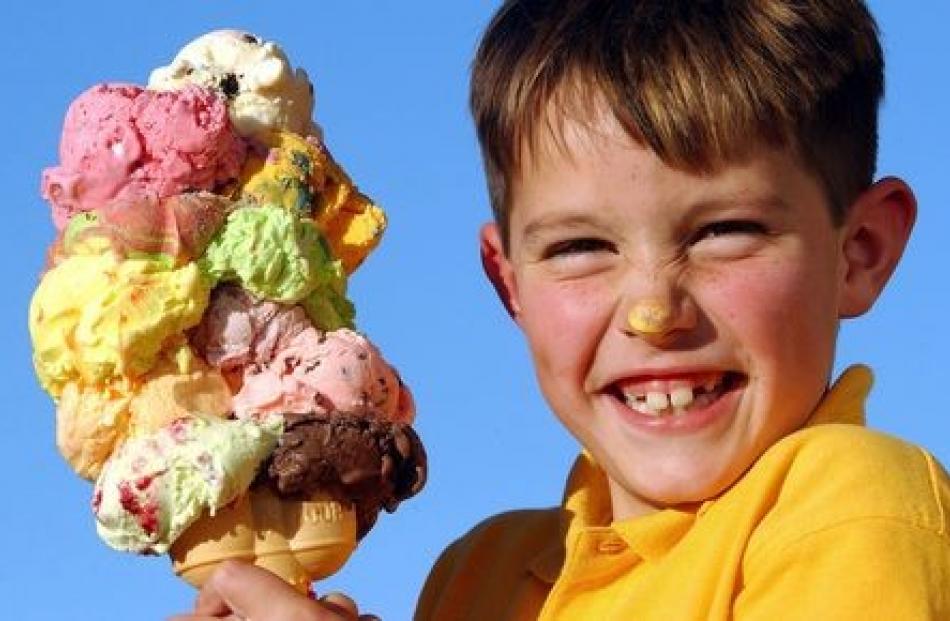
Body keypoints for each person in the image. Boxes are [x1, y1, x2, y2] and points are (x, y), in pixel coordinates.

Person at [170, 1, 950, 619]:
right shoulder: (478, 577)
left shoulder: (856, 505)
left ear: (861, 251)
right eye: (581, 247)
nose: (653, 310)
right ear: (509, 284)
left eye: (724, 232)